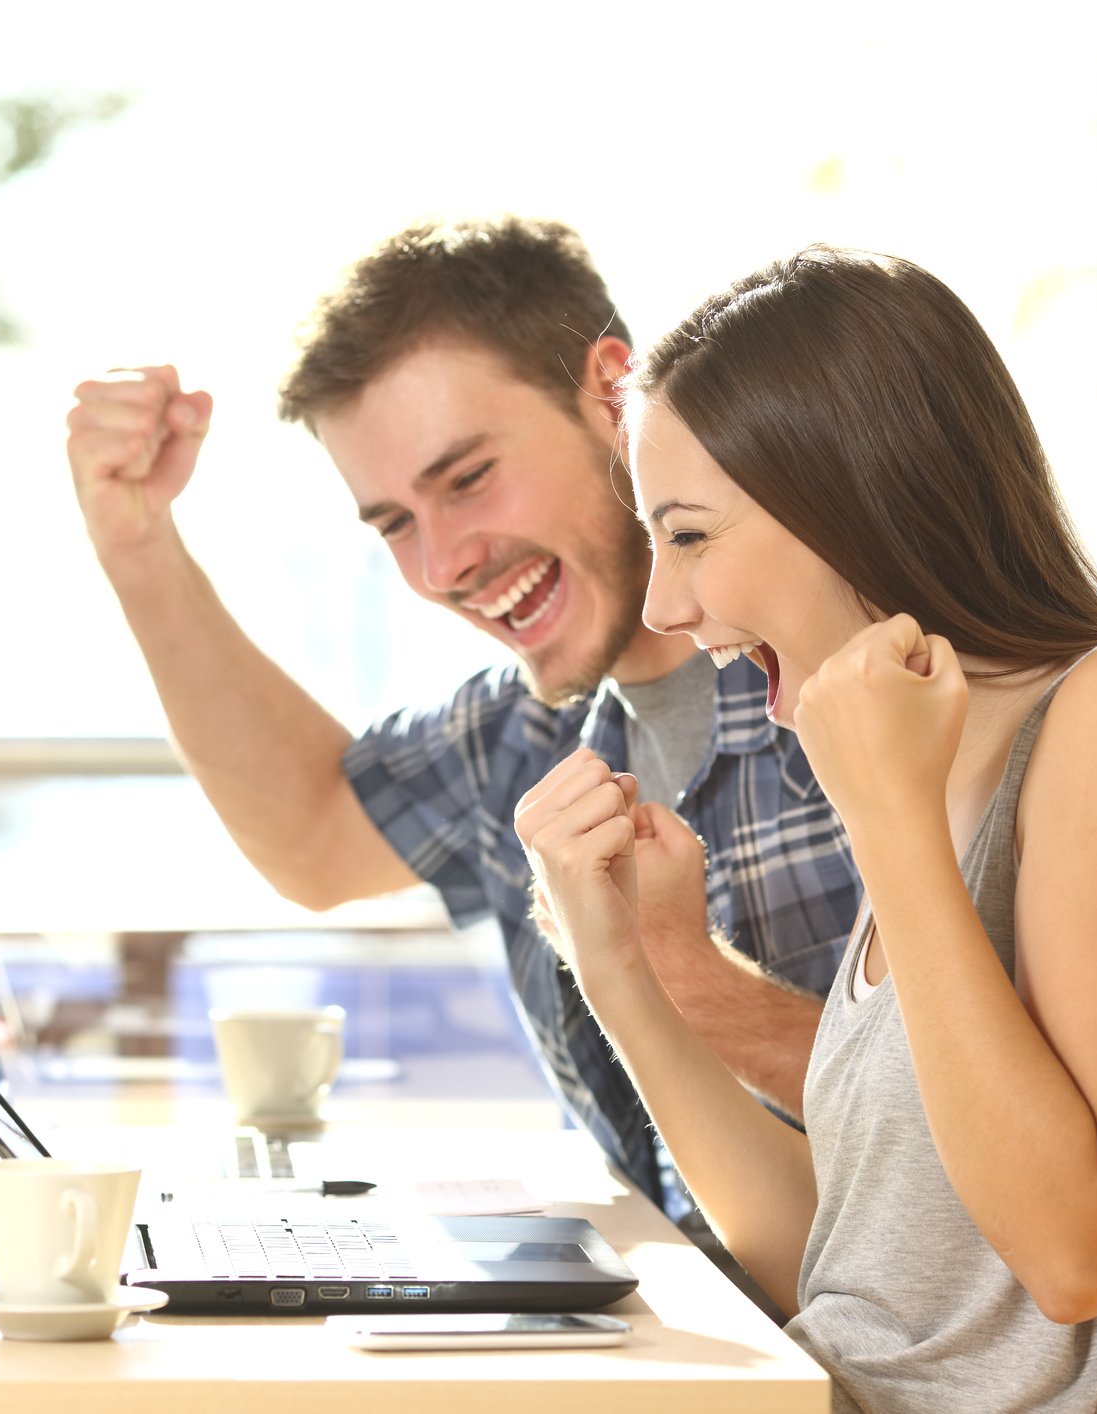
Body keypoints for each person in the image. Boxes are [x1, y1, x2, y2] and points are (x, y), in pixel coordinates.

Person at [516, 244, 1097, 1408]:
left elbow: (1080, 1250)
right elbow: (845, 1276)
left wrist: (887, 823)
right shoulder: (947, 771)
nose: (664, 607)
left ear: (850, 498)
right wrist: (619, 972)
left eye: (688, 535)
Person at [64, 217, 861, 1212]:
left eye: (469, 479)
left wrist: (678, 979)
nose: (442, 566)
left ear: (613, 393)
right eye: (395, 522)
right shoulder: (523, 738)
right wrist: (137, 547)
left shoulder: (863, 684)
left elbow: (997, 1132)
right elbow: (312, 832)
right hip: (673, 1331)